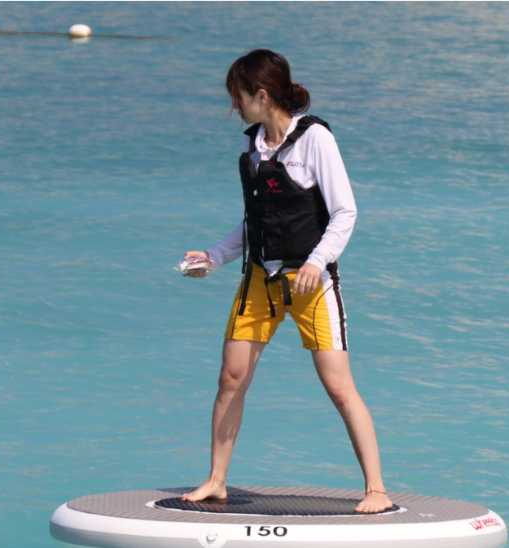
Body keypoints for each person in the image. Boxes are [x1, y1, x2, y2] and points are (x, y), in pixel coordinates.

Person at [180, 49, 392, 514]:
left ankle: (376, 488)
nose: (234, 106)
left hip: (312, 284)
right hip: (260, 279)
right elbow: (255, 220)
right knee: (231, 377)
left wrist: (317, 262)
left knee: (338, 385)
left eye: (237, 96)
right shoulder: (253, 146)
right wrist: (215, 257)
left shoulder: (315, 139)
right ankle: (216, 480)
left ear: (261, 95)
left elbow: (345, 212)